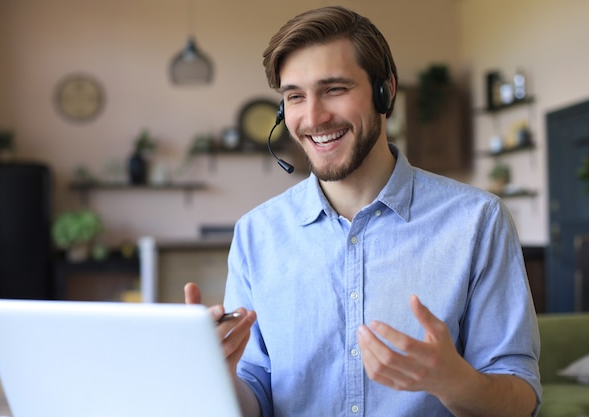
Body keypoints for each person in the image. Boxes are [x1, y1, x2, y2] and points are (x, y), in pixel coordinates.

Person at [185, 5, 541, 417]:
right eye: (295, 96)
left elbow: (521, 400)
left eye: (334, 89)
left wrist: (455, 381)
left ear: (384, 92)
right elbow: (256, 398)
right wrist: (221, 376)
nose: (313, 117)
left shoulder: (479, 221)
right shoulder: (255, 233)